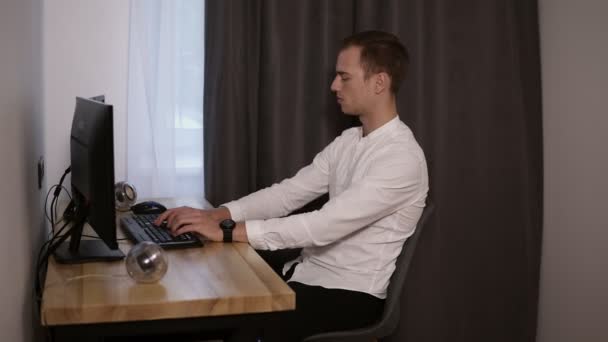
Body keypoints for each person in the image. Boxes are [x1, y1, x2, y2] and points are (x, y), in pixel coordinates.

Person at [156, 30, 428, 341]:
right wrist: (217, 215)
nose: (333, 86)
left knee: (232, 319)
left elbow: (324, 225)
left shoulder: (401, 159)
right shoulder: (350, 141)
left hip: (349, 296)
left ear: (379, 82)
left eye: (344, 77)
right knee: (208, 287)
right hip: (306, 274)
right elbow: (288, 193)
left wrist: (229, 231)